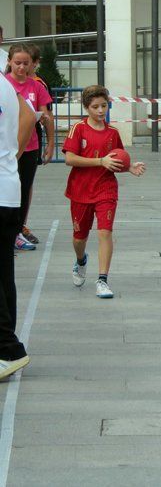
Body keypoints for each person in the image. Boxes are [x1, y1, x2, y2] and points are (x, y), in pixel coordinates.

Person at [63, 85, 146, 299]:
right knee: (79, 238)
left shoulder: (113, 133)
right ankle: (81, 261)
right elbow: (69, 159)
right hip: (80, 190)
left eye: (104, 106)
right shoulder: (78, 129)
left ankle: (102, 280)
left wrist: (129, 167)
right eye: (95, 107)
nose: (101, 111)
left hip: (105, 189)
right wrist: (100, 161)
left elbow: (116, 159)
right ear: (86, 107)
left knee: (105, 232)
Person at [0, 74, 37, 378]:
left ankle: (8, 349)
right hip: (8, 190)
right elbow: (28, 115)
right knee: (2, 274)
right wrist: (11, 157)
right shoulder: (4, 83)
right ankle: (5, 350)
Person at [5, 44, 54, 252]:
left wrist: (51, 143)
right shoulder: (4, 84)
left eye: (26, 63)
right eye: (17, 63)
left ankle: (17, 231)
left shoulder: (36, 86)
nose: (22, 67)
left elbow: (47, 116)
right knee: (7, 189)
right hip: (7, 148)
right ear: (9, 62)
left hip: (30, 146)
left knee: (24, 189)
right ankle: (7, 231)